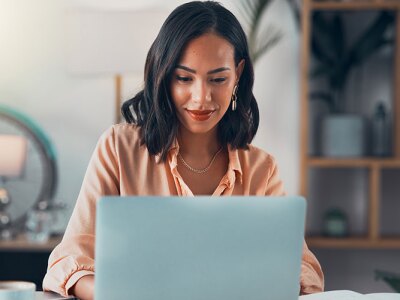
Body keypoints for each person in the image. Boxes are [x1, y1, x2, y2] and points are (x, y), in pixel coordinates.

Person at [43, 1, 324, 299]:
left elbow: (302, 269)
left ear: (238, 75)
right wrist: (116, 293)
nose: (201, 97)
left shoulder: (261, 169)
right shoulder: (118, 149)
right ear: (163, 76)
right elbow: (68, 261)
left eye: (218, 79)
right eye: (184, 78)